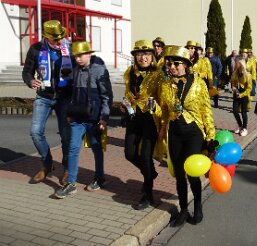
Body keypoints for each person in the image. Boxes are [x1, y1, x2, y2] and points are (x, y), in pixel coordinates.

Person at [159, 45, 216, 227]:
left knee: (192, 171)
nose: (172, 67)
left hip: (193, 132)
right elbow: (166, 111)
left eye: (176, 64)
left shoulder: (199, 84)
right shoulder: (166, 85)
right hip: (174, 132)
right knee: (179, 174)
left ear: (185, 65)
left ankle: (198, 206)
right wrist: (160, 123)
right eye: (170, 64)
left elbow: (206, 110)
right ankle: (183, 210)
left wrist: (210, 136)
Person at [54, 41, 113, 198]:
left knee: (95, 147)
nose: (78, 59)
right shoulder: (74, 68)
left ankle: (100, 178)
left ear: (89, 54)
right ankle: (71, 184)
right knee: (73, 148)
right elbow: (71, 93)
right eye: (76, 56)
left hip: (94, 119)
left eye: (80, 55)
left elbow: (106, 96)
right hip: (77, 117)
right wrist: (69, 112)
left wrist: (104, 118)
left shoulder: (99, 70)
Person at [22, 20, 74, 184]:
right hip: (44, 96)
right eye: (55, 39)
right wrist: (31, 81)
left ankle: (67, 169)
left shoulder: (69, 49)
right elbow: (27, 72)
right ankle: (47, 163)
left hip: (64, 98)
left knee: (66, 137)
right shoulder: (36, 49)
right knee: (35, 132)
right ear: (46, 37)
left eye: (61, 38)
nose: (59, 42)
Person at [122, 40, 162, 210]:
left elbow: (164, 99)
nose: (143, 57)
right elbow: (128, 93)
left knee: (146, 156)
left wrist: (156, 108)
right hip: (134, 117)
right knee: (129, 153)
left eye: (146, 54)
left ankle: (148, 193)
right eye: (139, 54)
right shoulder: (130, 72)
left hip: (150, 120)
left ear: (152, 56)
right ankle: (150, 173)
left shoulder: (158, 74)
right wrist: (126, 103)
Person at [231, 58, 252, 137]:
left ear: (242, 65)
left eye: (238, 63)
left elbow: (249, 88)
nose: (236, 65)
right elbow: (233, 83)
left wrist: (242, 94)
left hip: (244, 95)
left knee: (243, 112)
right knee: (235, 111)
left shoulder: (248, 75)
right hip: (236, 94)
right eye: (236, 63)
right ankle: (240, 126)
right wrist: (234, 88)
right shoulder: (234, 73)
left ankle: (245, 128)